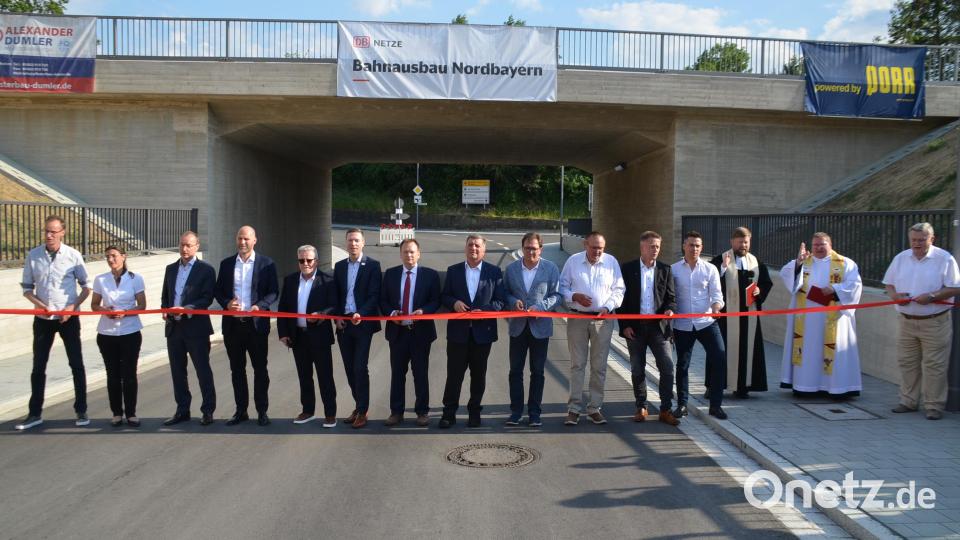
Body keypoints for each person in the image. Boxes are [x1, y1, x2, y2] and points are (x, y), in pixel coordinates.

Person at [16, 215, 91, 431]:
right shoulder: (34, 255)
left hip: (68, 318)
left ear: (62, 232)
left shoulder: (73, 256)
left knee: (76, 363)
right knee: (38, 366)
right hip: (43, 319)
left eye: (53, 231)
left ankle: (81, 409)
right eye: (47, 231)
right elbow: (27, 289)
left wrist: (72, 307)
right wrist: (39, 304)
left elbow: (86, 287)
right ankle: (35, 413)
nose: (49, 235)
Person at [883, 222, 960, 420]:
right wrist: (895, 296)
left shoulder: (944, 259)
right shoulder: (901, 258)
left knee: (934, 365)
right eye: (914, 240)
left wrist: (933, 296)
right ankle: (908, 401)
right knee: (907, 362)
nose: (917, 244)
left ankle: (934, 406)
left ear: (931, 239)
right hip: (907, 321)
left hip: (934, 321)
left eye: (921, 240)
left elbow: (955, 288)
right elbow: (889, 284)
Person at [780, 232, 863, 398]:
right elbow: (785, 274)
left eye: (822, 244)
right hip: (807, 320)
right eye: (815, 245)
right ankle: (805, 386)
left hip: (834, 317)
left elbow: (855, 285)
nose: (818, 248)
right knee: (809, 351)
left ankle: (835, 388)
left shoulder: (845, 263)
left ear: (830, 245)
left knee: (834, 350)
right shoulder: (804, 262)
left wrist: (835, 290)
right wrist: (798, 263)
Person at [559, 231, 625, 426]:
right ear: (585, 245)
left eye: (601, 248)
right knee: (577, 365)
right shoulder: (573, 261)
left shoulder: (611, 262)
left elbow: (619, 289)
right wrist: (574, 296)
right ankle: (574, 409)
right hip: (577, 319)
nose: (597, 251)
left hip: (603, 320)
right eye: (594, 247)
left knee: (599, 366)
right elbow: (562, 286)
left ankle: (595, 408)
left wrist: (608, 306)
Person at [215, 225, 279, 427]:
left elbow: (273, 292)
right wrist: (226, 303)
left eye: (246, 239)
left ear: (254, 240)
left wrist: (259, 305)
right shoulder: (226, 264)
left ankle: (262, 411)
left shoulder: (266, 264)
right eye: (239, 238)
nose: (242, 242)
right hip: (233, 326)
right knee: (237, 370)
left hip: (256, 326)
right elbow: (218, 291)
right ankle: (241, 410)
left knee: (260, 369)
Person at [439, 234, 505, 429]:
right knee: (454, 375)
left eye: (477, 246)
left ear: (484, 250)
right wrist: (454, 303)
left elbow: (500, 301)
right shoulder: (453, 271)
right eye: (470, 245)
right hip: (458, 333)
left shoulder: (494, 272)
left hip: (482, 333)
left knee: (478, 375)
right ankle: (448, 414)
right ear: (465, 247)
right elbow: (445, 296)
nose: (473, 249)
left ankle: (474, 413)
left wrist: (485, 311)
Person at [619, 231, 680, 426]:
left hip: (658, 328)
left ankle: (665, 409)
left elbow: (671, 298)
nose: (655, 250)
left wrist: (670, 310)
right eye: (652, 246)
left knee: (668, 368)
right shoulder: (627, 269)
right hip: (635, 328)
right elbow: (621, 300)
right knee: (637, 369)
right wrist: (624, 325)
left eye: (658, 247)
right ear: (642, 247)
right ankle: (641, 407)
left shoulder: (665, 269)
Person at [380, 238, 441, 427]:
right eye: (405, 252)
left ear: (419, 254)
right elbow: (382, 300)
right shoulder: (390, 274)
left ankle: (422, 412)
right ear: (400, 254)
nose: (409, 255)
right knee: (397, 373)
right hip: (397, 332)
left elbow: (435, 300)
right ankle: (396, 412)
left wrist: (424, 311)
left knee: (420, 373)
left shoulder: (430, 275)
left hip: (420, 332)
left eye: (412, 252)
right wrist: (392, 313)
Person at [277, 245, 339, 427]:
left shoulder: (327, 280)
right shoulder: (290, 281)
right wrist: (283, 333)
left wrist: (321, 314)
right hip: (298, 336)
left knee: (325, 376)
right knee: (304, 376)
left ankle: (330, 413)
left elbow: (334, 306)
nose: (305, 264)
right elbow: (283, 309)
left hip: (319, 336)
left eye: (309, 260)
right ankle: (308, 411)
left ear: (316, 261)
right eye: (301, 260)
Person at [503, 232, 561, 427]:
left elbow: (557, 295)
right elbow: (505, 293)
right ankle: (516, 412)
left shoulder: (551, 268)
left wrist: (541, 307)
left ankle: (535, 413)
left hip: (540, 327)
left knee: (537, 372)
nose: (530, 251)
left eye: (534, 248)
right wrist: (513, 302)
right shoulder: (511, 269)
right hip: (518, 327)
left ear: (541, 249)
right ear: (522, 249)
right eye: (527, 248)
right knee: (515, 371)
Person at [160, 231, 217, 426]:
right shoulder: (170, 269)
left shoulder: (206, 270)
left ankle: (208, 411)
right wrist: (165, 310)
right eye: (182, 244)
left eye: (189, 245)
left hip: (196, 328)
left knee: (202, 370)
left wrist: (186, 309)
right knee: (178, 372)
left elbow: (207, 298)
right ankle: (182, 410)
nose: (184, 249)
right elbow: (165, 295)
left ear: (197, 246)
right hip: (174, 328)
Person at [709, 227, 773, 398]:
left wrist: (760, 290)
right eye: (739, 242)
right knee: (719, 350)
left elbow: (766, 283)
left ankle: (743, 386)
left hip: (749, 316)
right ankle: (714, 386)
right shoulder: (721, 259)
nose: (743, 245)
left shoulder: (756, 262)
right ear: (732, 242)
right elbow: (710, 281)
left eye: (746, 242)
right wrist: (722, 269)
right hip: (726, 317)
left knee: (748, 350)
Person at [672, 231, 727, 419]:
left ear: (701, 248)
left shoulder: (710, 269)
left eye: (697, 245)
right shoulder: (674, 269)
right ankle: (682, 405)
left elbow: (717, 296)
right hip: (682, 324)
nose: (694, 248)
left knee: (719, 358)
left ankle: (716, 405)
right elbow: (669, 297)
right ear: (683, 246)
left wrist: (716, 308)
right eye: (691, 245)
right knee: (682, 365)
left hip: (706, 322)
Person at [91, 245, 146, 428]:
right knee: (112, 374)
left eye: (114, 256)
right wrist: (104, 310)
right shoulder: (101, 280)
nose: (110, 260)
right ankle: (116, 413)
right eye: (107, 257)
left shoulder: (135, 279)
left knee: (129, 374)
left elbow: (142, 305)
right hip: (107, 333)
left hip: (130, 332)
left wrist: (127, 312)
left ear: (123, 257)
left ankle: (131, 413)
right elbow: (94, 304)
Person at [334, 228, 382, 429]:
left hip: (362, 323)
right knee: (348, 368)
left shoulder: (372, 266)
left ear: (363, 243)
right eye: (350, 240)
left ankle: (363, 411)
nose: (353, 244)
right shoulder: (339, 267)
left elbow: (374, 295)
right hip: (343, 324)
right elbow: (335, 294)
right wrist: (336, 317)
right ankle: (358, 405)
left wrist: (360, 313)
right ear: (346, 243)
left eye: (356, 240)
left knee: (359, 367)